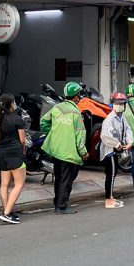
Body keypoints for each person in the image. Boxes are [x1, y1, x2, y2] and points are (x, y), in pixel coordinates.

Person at [40, 82, 88, 214]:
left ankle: (57, 202)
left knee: (59, 177)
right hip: (68, 152)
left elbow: (43, 121)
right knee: (67, 179)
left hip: (56, 150)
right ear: (76, 97)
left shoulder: (57, 108)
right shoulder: (76, 113)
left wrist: (53, 132)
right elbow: (80, 136)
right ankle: (61, 206)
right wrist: (83, 152)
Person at [0, 94, 26, 224]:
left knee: (4, 184)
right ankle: (7, 213)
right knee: (19, 184)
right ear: (12, 103)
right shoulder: (17, 119)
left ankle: (6, 210)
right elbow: (22, 140)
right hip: (15, 153)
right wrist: (23, 150)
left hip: (2, 153)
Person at [99, 93, 133, 207]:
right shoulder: (109, 119)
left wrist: (129, 142)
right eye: (117, 103)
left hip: (116, 150)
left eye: (121, 103)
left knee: (113, 174)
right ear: (113, 104)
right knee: (111, 174)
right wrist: (117, 144)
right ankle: (108, 200)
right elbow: (105, 136)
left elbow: (128, 130)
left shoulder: (122, 118)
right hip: (109, 151)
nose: (119, 105)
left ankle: (111, 197)